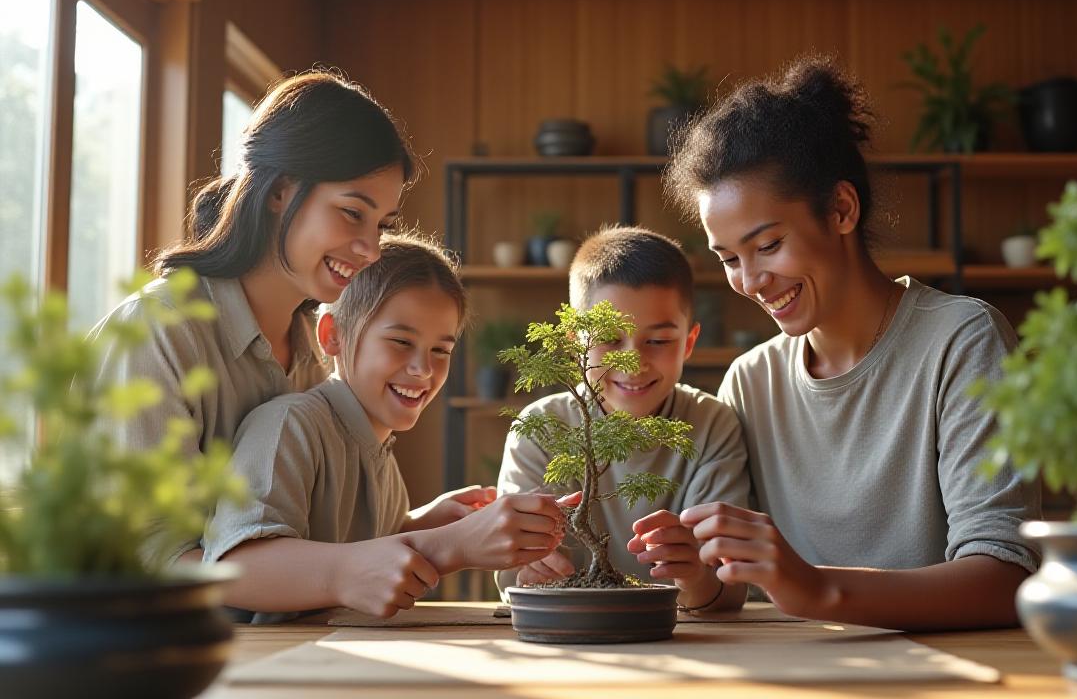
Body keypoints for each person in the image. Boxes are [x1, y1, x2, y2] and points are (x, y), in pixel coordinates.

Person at [662, 56, 1041, 631]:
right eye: (729, 259)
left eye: (767, 245)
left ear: (841, 209)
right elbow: (724, 594)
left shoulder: (960, 340)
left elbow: (1003, 575)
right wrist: (694, 572)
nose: (750, 281)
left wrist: (817, 590)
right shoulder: (750, 381)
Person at [92, 71, 422, 568]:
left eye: (382, 225)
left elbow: (308, 540)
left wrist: (427, 528)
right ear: (279, 192)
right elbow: (149, 560)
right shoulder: (157, 332)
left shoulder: (311, 349)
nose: (372, 249)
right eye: (353, 213)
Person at [203, 234, 565, 622]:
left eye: (440, 350)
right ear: (332, 336)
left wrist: (418, 524)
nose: (423, 370)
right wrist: (450, 545)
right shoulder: (290, 426)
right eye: (399, 342)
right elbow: (234, 570)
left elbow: (355, 551)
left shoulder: (377, 450)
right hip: (263, 668)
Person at [496, 226, 749, 613]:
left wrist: (696, 575)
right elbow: (513, 576)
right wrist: (529, 570)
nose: (632, 362)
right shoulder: (542, 429)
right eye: (610, 339)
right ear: (572, 340)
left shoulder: (713, 425)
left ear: (689, 343)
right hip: (570, 635)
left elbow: (727, 592)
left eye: (659, 341)